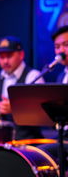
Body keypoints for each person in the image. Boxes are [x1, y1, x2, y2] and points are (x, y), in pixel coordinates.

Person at [0, 35, 44, 140]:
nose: (5, 61)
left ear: (21, 55)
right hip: (0, 140)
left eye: (9, 56)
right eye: (1, 57)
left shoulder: (33, 76)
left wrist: (16, 108)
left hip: (28, 142)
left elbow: (38, 111)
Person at [38, 25, 68, 173]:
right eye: (57, 47)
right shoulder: (61, 76)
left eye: (66, 45)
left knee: (40, 153)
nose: (61, 51)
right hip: (63, 135)